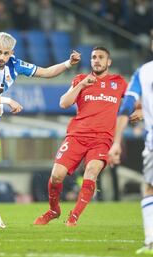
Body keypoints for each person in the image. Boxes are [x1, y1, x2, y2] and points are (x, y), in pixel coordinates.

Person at [0, 31, 81, 228]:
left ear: (11, 53)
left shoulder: (15, 64)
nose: (1, 57)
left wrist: (68, 63)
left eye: (6, 54)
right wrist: (8, 100)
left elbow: (47, 72)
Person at [33, 46, 128, 227]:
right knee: (56, 176)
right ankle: (54, 210)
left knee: (91, 172)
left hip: (102, 139)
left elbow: (135, 102)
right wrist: (82, 84)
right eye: (93, 57)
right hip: (77, 136)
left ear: (109, 62)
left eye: (101, 57)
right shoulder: (80, 79)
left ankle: (73, 217)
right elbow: (63, 103)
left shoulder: (119, 82)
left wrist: (138, 112)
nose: (97, 60)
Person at [108, 55, 153, 254]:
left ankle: (151, 242)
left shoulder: (143, 72)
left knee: (150, 189)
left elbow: (126, 106)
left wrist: (116, 142)